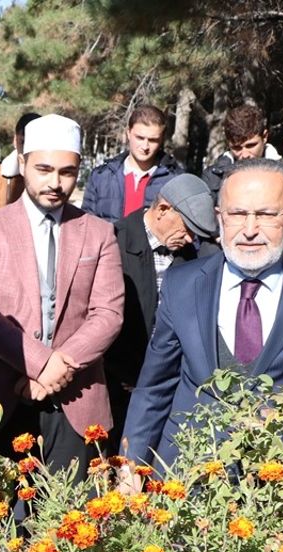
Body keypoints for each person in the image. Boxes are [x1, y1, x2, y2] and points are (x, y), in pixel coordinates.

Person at [123, 158, 283, 467]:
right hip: (187, 472)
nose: (249, 230)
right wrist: (130, 463)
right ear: (220, 218)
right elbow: (155, 384)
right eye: (237, 214)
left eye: (265, 215)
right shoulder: (183, 284)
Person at [0, 114, 123, 481]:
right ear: (22, 163)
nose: (55, 183)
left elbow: (109, 313)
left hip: (76, 400)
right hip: (4, 396)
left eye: (67, 172)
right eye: (44, 169)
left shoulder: (98, 233)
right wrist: (38, 363)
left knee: (70, 525)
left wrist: (58, 368)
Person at [104, 174, 221, 440]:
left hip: (166, 388)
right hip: (116, 385)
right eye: (187, 228)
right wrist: (128, 373)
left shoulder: (195, 256)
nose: (190, 239)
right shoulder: (113, 242)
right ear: (163, 210)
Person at [82, 105, 183, 223]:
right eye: (140, 138)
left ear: (161, 140)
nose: (145, 147)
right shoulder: (101, 177)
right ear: (128, 133)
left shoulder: (176, 181)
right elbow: (85, 228)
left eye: (153, 140)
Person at [202, 105, 281, 204]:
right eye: (237, 148)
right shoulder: (214, 177)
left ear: (264, 137)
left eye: (250, 146)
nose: (245, 155)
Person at [0, 112, 41, 213]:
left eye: (35, 143)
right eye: (23, 141)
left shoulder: (49, 177)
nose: (28, 148)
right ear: (15, 140)